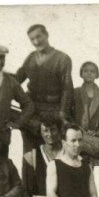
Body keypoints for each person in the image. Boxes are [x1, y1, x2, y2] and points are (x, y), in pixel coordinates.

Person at [16, 24, 73, 154]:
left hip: (54, 112)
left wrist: (63, 113)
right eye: (32, 39)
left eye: (39, 37)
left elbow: (67, 88)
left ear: (46, 35)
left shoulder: (62, 59)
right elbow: (17, 79)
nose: (36, 42)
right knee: (31, 153)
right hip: (32, 111)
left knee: (54, 152)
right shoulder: (31, 57)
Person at [71, 61, 99, 162]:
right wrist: (78, 129)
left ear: (96, 74)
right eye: (86, 71)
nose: (89, 73)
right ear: (81, 73)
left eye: (92, 71)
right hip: (78, 137)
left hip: (97, 139)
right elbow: (68, 114)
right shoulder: (75, 92)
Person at [21, 116, 63, 197]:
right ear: (40, 133)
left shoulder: (67, 154)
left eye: (53, 130)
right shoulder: (31, 156)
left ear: (59, 131)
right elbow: (27, 190)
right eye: (45, 131)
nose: (50, 134)